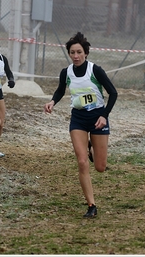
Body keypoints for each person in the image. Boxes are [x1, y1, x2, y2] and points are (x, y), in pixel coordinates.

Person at [44, 32, 118, 218]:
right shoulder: (66, 72)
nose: (75, 56)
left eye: (79, 52)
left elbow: (113, 93)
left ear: (85, 53)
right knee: (82, 161)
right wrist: (53, 101)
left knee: (100, 167)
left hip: (98, 119)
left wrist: (104, 115)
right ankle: (91, 205)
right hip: (78, 119)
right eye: (72, 53)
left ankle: (91, 146)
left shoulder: (95, 70)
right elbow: (61, 90)